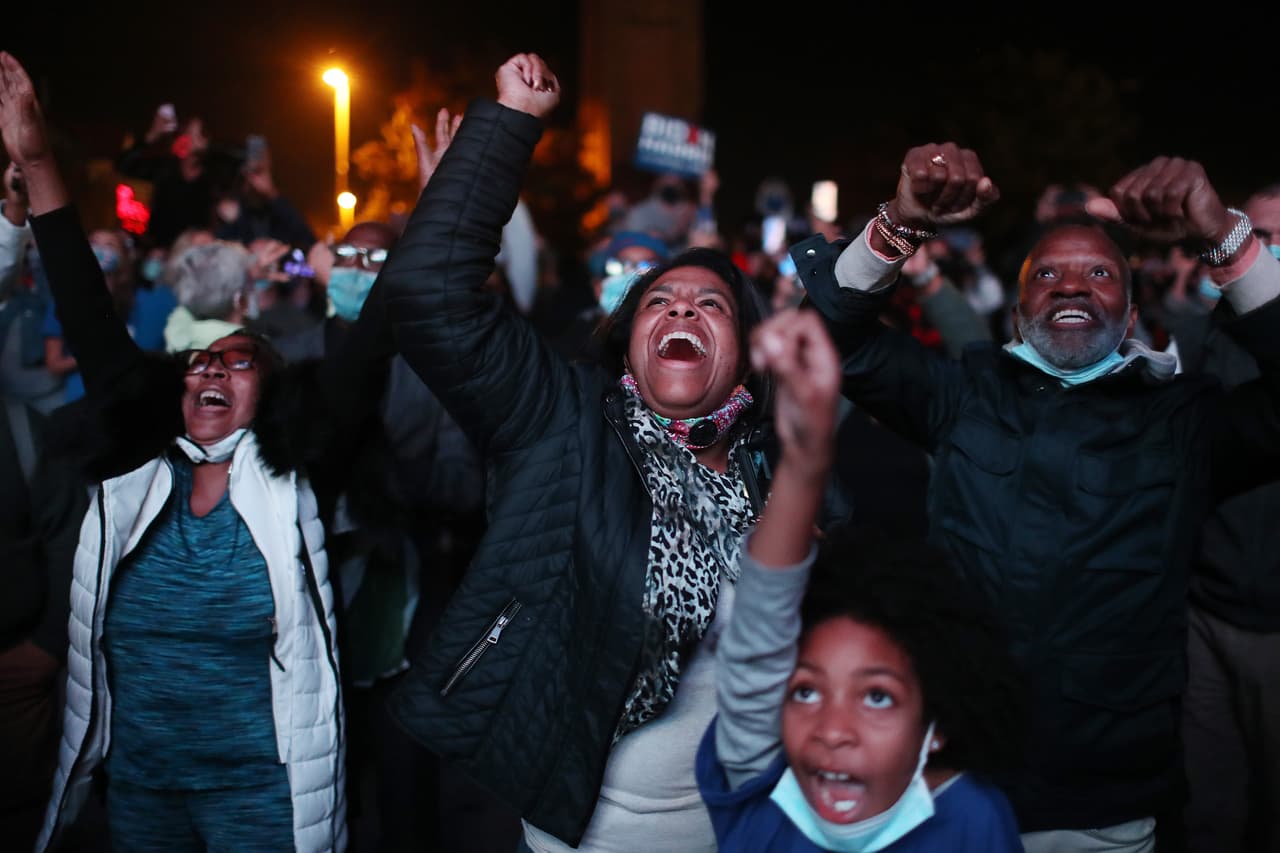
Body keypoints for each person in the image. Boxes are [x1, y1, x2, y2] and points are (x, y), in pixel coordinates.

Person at [792, 141, 1280, 851]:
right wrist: (901, 221)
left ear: (1133, 307)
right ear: (1019, 310)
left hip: (1104, 804)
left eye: (1099, 273)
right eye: (1047, 272)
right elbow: (831, 331)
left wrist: (1224, 237)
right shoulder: (962, 395)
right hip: (953, 784)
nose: (1072, 285)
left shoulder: (1182, 422)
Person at [382, 54, 777, 852]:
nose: (682, 310)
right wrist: (509, 123)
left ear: (748, 346)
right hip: (594, 831)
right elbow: (429, 295)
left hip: (757, 827)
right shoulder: (566, 422)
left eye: (711, 304)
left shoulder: (781, 466)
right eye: (658, 300)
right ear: (627, 340)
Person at [0, 51, 360, 852]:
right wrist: (35, 159)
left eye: (241, 360)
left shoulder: (292, 478)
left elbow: (376, 342)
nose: (211, 365)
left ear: (274, 396)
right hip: (143, 789)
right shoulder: (140, 460)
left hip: (258, 796)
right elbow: (85, 303)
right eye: (203, 357)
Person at [696, 308, 1026, 852]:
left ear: (936, 728)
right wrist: (805, 461)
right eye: (804, 691)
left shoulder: (974, 822)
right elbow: (758, 635)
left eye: (876, 697)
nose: (832, 729)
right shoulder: (760, 798)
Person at [1166, 183, 1280, 853]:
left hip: (1275, 629)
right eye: (1252, 235)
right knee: (1209, 807)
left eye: (1272, 240)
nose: (1260, 252)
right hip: (1208, 611)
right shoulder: (1218, 333)